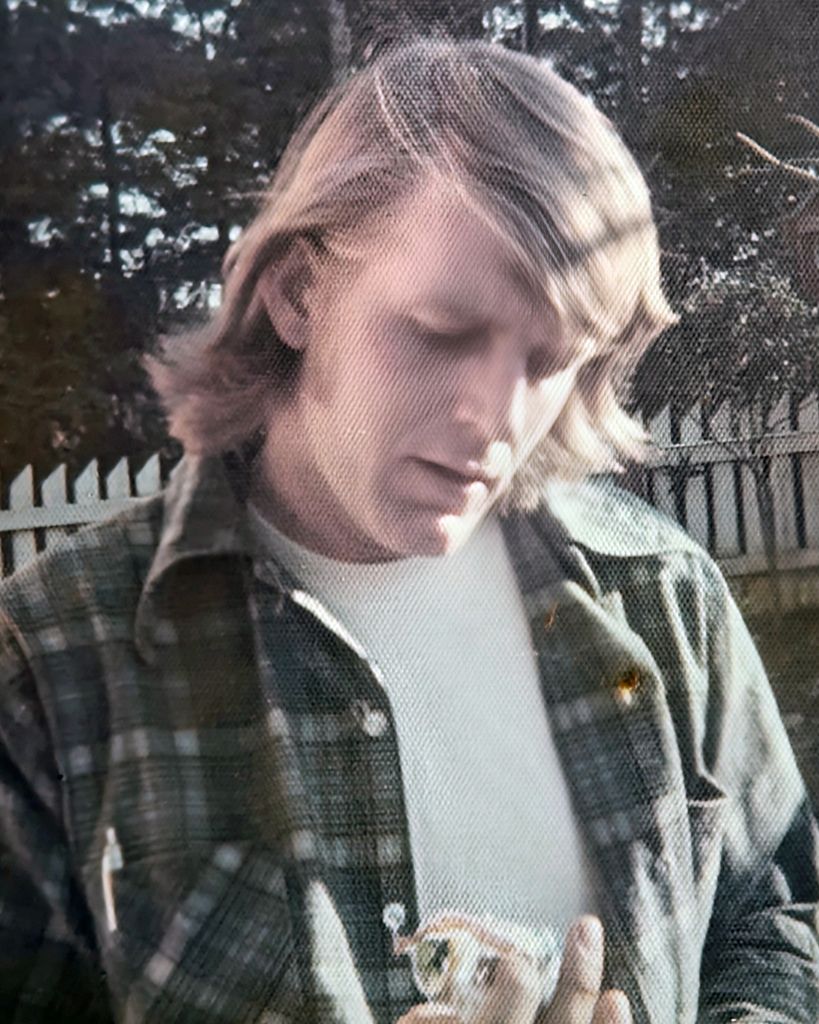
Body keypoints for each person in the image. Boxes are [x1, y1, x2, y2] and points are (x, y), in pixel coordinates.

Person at [0, 34, 816, 1024]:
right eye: (439, 331)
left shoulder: (663, 594)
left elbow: (777, 919)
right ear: (297, 294)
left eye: (548, 358)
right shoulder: (49, 662)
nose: (495, 419)